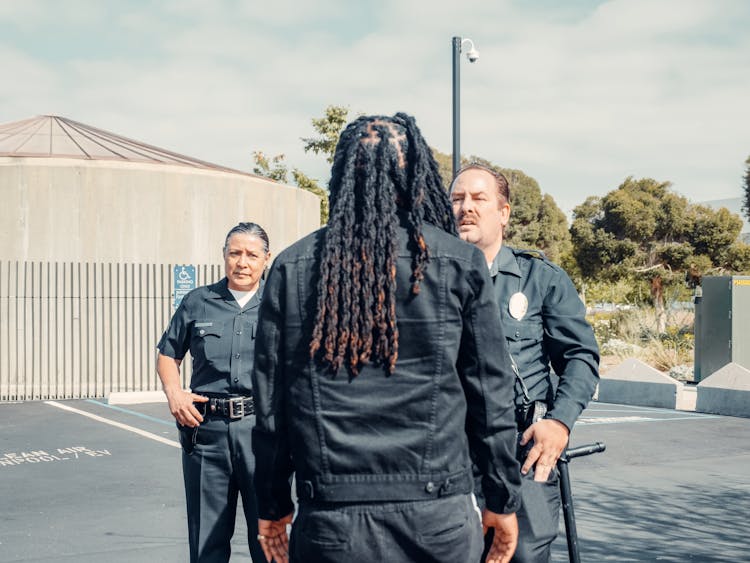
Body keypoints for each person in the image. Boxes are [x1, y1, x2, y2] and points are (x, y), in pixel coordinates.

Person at [251, 113, 523, 563]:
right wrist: (502, 497)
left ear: (341, 175)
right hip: (437, 514)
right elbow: (491, 396)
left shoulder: (291, 267)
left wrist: (273, 505)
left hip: (332, 520)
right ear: (415, 177)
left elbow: (271, 404)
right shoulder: (458, 262)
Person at [450, 164, 600, 563]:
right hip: (448, 453)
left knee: (524, 555)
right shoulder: (428, 279)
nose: (466, 207)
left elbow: (580, 357)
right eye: (457, 199)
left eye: (479, 199)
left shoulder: (540, 279)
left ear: (504, 212)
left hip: (522, 451)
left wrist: (560, 421)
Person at [156, 222, 272, 563]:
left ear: (266, 259)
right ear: (224, 256)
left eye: (252, 255)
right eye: (235, 253)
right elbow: (167, 354)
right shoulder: (199, 302)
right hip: (206, 434)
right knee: (207, 542)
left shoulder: (280, 305)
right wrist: (174, 392)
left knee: (271, 538)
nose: (242, 262)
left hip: (262, 435)